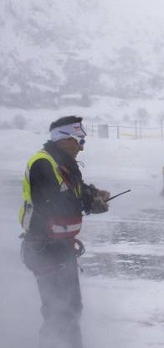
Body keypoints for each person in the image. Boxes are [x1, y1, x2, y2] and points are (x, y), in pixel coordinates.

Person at [19, 115, 111, 348]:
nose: (82, 147)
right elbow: (53, 204)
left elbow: (73, 190)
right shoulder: (43, 163)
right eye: (79, 140)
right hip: (44, 249)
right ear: (63, 139)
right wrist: (89, 204)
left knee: (71, 308)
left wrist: (93, 194)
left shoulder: (64, 164)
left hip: (61, 248)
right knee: (59, 312)